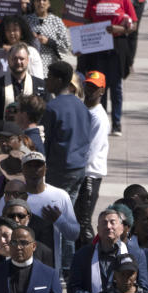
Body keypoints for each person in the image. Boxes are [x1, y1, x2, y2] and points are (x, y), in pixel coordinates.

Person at [0, 151, 79, 275]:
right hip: (12, 269)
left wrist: (59, 220)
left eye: (38, 166)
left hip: (48, 268)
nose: (34, 170)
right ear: (22, 170)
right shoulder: (8, 198)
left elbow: (74, 234)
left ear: (45, 169)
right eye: (29, 166)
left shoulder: (60, 196)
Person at [77, 0, 137, 136]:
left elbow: (134, 24)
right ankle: (100, 121)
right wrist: (92, 30)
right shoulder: (92, 1)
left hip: (117, 45)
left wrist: (119, 29)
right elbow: (86, 21)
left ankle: (116, 123)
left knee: (116, 87)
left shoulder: (124, 1)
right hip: (98, 46)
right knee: (98, 85)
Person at [41, 61, 91, 202]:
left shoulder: (52, 108)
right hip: (79, 168)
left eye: (49, 77)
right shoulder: (81, 106)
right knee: (68, 210)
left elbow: (46, 141)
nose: (46, 81)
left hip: (60, 170)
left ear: (58, 80)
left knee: (54, 210)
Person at [75, 71, 109, 248]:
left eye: (94, 87)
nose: (89, 90)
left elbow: (91, 152)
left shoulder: (98, 117)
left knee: (83, 223)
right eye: (87, 85)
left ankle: (93, 254)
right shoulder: (84, 109)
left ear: (102, 91)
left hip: (89, 175)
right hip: (81, 174)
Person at [0, 43, 46, 123]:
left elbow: (47, 116)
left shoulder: (41, 85)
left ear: (28, 60)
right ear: (8, 60)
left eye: (21, 58)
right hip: (5, 133)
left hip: (33, 133)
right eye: (14, 58)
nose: (18, 62)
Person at [25, 0, 73, 73]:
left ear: (49, 3)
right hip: (29, 67)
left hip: (49, 68)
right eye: (38, 0)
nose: (41, 3)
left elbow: (66, 46)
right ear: (34, 3)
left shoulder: (57, 22)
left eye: (44, 0)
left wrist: (49, 42)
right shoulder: (26, 20)